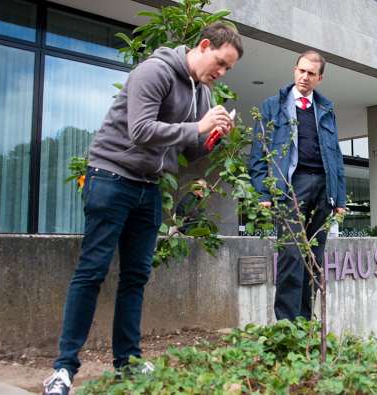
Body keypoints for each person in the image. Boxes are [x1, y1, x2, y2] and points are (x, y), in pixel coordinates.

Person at [42, 23, 243, 395]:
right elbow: (140, 130)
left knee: (135, 278)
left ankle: (127, 364)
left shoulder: (201, 91)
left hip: (149, 187)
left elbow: (190, 151)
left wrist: (213, 135)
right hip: (111, 177)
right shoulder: (155, 70)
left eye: (228, 69)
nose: (222, 72)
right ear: (203, 45)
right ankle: (63, 369)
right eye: (220, 63)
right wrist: (197, 125)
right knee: (92, 271)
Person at [248, 50, 346, 321]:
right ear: (294, 70)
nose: (304, 77)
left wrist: (340, 198)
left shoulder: (325, 109)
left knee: (313, 257)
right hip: (291, 184)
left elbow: (336, 156)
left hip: (323, 187)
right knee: (291, 255)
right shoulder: (273, 105)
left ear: (319, 78)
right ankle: (286, 324)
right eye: (301, 71)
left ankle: (305, 323)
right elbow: (259, 150)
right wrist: (263, 191)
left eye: (311, 74)